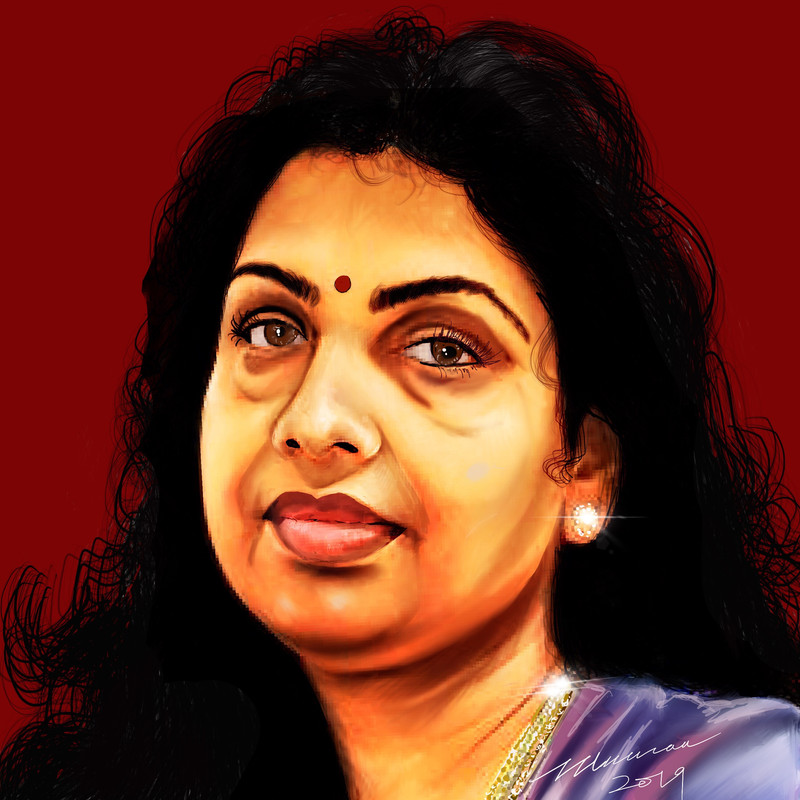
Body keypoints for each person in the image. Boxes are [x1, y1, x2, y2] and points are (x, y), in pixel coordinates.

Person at [1, 12, 798, 800]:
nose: (316, 422)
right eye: (271, 328)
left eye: (443, 349)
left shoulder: (731, 781)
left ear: (585, 472)